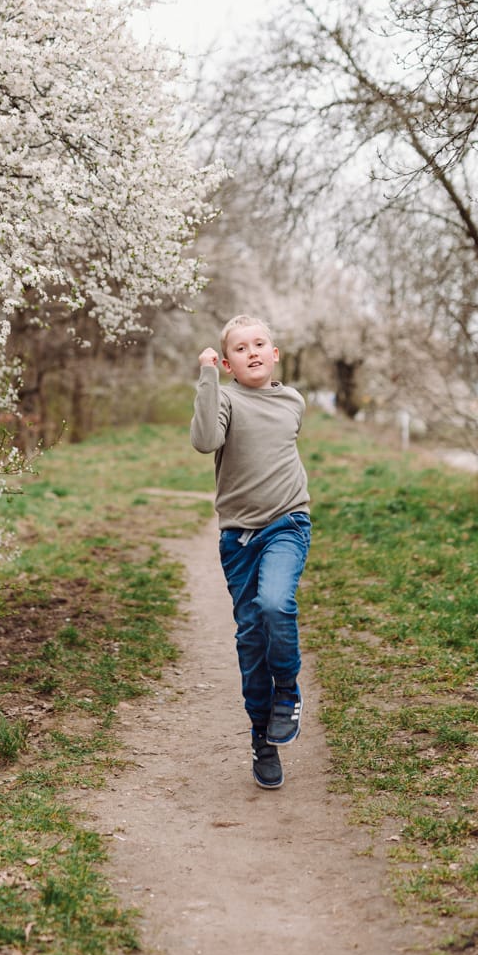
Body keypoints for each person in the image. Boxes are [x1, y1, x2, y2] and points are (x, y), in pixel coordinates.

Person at [191, 314, 311, 790]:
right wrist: (207, 378)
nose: (253, 352)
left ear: (275, 353)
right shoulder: (223, 398)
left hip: (288, 522)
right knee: (250, 638)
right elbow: (204, 442)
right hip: (239, 537)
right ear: (227, 362)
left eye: (260, 344)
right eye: (240, 349)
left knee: (275, 604)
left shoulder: (293, 400)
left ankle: (287, 691)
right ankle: (263, 738)